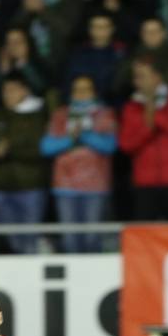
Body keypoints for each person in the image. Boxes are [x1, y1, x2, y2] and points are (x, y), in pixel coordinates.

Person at [39, 74, 118, 253]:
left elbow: (109, 145)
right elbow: (46, 147)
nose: (81, 93)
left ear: (94, 92)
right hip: (65, 186)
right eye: (77, 89)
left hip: (95, 186)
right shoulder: (60, 115)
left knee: (92, 238)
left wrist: (84, 135)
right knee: (70, 239)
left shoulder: (105, 114)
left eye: (86, 89)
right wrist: (70, 138)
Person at [119, 56, 168, 221]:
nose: (137, 81)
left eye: (142, 76)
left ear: (157, 76)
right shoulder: (131, 107)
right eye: (135, 77)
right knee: (145, 237)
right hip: (145, 182)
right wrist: (147, 129)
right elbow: (126, 145)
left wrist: (156, 116)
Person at [0, 73, 49, 254]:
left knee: (30, 241)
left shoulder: (38, 116)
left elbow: (40, 150)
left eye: (12, 90)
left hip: (30, 187)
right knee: (14, 243)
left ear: (25, 90)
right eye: (5, 90)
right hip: (1, 189)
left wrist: (10, 150)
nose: (7, 94)